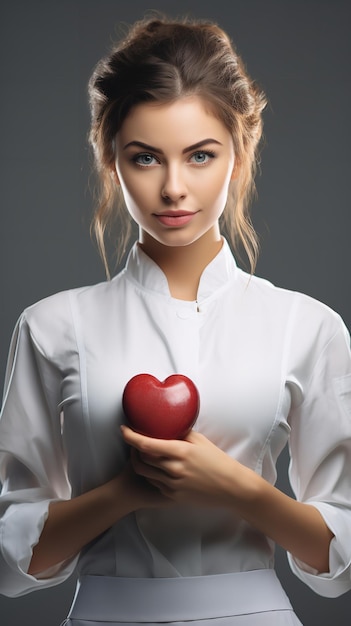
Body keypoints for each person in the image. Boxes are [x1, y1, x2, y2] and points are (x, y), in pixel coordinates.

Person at [0, 14, 351, 626]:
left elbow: (340, 557)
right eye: (145, 158)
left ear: (239, 158)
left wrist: (234, 488)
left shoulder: (308, 325)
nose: (173, 188)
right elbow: (11, 559)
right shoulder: (51, 326)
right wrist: (128, 491)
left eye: (199, 156)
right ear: (110, 161)